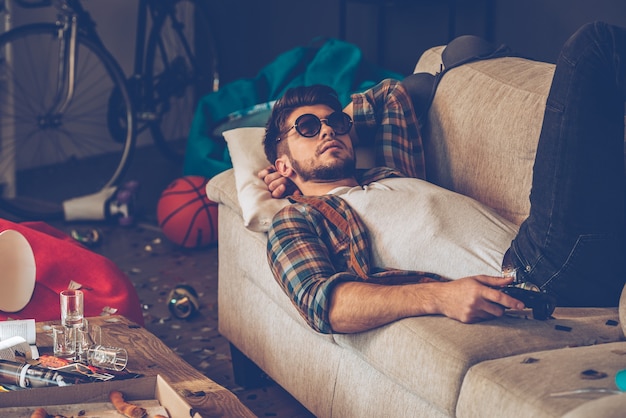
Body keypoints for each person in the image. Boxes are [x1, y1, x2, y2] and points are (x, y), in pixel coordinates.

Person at [258, 21, 626, 334]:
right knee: (591, 47)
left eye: (335, 122)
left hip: (571, 249)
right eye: (306, 127)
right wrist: (442, 297)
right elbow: (321, 303)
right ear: (282, 164)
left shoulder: (391, 171)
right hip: (534, 273)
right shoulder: (299, 219)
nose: (326, 131)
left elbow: (391, 95)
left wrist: (332, 125)